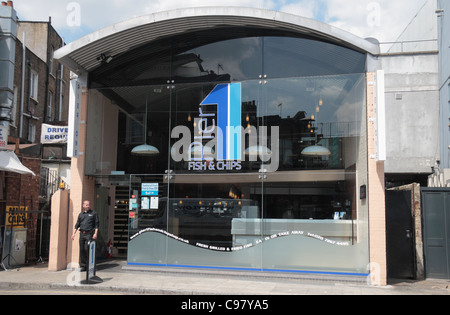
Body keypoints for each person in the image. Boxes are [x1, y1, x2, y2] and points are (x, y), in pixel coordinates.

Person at [72, 200, 99, 271]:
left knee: (87, 249)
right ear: (83, 206)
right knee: (82, 250)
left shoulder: (93, 213)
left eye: (88, 205)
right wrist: (73, 233)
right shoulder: (81, 214)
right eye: (86, 205)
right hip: (82, 234)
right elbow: (77, 224)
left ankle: (90, 265)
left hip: (89, 234)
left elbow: (96, 224)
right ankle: (84, 266)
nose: (88, 206)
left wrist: (95, 233)